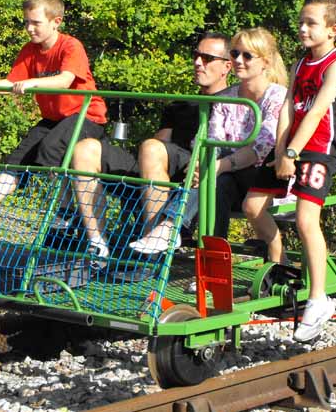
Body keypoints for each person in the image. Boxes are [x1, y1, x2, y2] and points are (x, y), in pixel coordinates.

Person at [252, 0, 336, 343]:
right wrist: (281, 149)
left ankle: (318, 299)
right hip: (294, 148)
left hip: (321, 150)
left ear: (333, 30)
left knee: (305, 218)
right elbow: (287, 109)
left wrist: (293, 153)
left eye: (311, 23)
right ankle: (274, 260)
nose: (302, 28)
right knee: (252, 202)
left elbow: (316, 111)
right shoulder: (300, 64)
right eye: (301, 21)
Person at [71, 33, 232, 259]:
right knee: (85, 148)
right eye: (196, 55)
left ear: (227, 66)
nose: (197, 62)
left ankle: (152, 251)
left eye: (206, 58)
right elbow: (159, 143)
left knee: (152, 148)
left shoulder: (235, 102)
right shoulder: (179, 105)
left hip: (197, 168)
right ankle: (97, 244)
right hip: (160, 167)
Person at [131, 27, 289, 256]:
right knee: (215, 181)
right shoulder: (227, 98)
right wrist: (202, 165)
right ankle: (210, 264)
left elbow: (261, 148)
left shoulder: (277, 97)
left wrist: (215, 166)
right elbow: (208, 139)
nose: (238, 61)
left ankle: (169, 227)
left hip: (266, 177)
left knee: (214, 175)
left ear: (265, 62)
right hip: (228, 178)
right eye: (234, 54)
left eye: (247, 56)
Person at [0, 0, 107, 202]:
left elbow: (64, 81)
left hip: (86, 116)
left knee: (52, 147)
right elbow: (12, 83)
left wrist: (31, 83)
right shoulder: (30, 50)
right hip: (54, 119)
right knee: (16, 159)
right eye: (26, 22)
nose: (29, 29)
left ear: (56, 22)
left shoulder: (70, 46)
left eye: (36, 23)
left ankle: (64, 213)